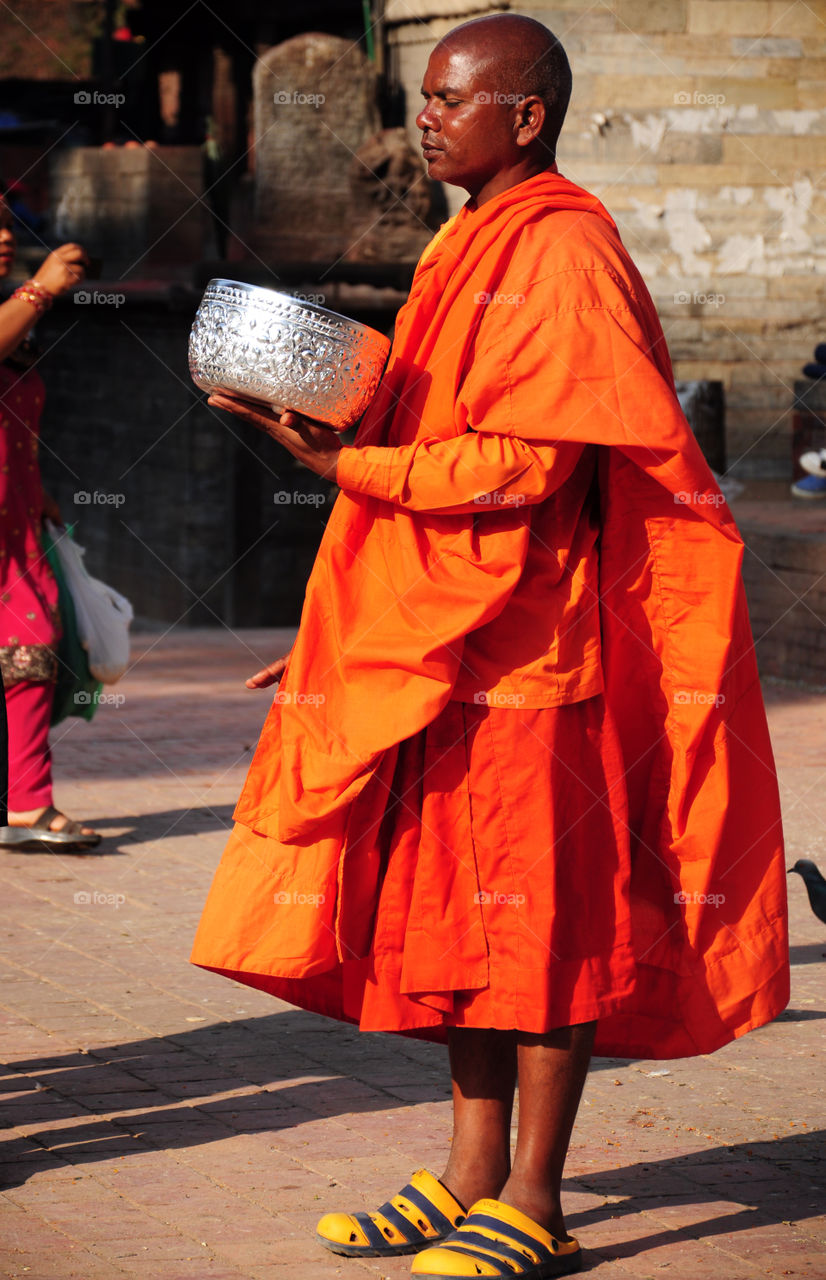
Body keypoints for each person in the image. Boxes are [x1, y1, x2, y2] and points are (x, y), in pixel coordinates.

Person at [191, 15, 789, 1278]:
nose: (426, 118)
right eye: (424, 95)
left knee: (544, 934)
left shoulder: (563, 252)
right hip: (442, 643)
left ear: (526, 117)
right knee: (457, 926)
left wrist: (340, 461)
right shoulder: (466, 244)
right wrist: (345, 621)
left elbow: (525, 463)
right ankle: (465, 1173)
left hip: (532, 657)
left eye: (453, 98)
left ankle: (534, 1193)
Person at [0, 188, 100, 852]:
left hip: (15, 516)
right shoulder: (19, 306)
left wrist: (40, 494)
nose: (4, 238)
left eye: (3, 228)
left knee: (30, 648)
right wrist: (40, 289)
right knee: (27, 646)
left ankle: (23, 800)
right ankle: (27, 805)